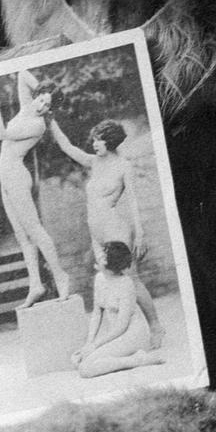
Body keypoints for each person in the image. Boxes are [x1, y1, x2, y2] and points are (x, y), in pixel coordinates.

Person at [49, 116, 163, 347]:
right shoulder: (93, 162)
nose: (94, 144)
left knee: (131, 278)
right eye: (94, 140)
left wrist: (140, 234)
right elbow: (66, 146)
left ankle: (155, 327)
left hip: (115, 228)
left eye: (99, 140)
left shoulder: (123, 166)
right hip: (96, 231)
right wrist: (50, 120)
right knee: (108, 281)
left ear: (110, 141)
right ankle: (122, 334)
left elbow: (133, 200)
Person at [0, 69, 71, 307]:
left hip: (16, 176)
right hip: (5, 178)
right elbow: (22, 73)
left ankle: (60, 275)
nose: (41, 106)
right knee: (22, 236)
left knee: (34, 230)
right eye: (41, 99)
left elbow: (1, 134)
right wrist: (47, 90)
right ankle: (36, 284)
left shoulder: (38, 125)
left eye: (47, 105)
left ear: (50, 110)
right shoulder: (28, 106)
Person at [73, 241, 168, 378]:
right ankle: (129, 358)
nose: (98, 257)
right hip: (116, 335)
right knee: (76, 359)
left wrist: (95, 346)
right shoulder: (100, 278)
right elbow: (97, 313)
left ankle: (137, 360)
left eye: (103, 257)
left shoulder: (126, 284)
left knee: (85, 369)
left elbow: (121, 326)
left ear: (112, 266)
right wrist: (89, 343)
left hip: (132, 335)